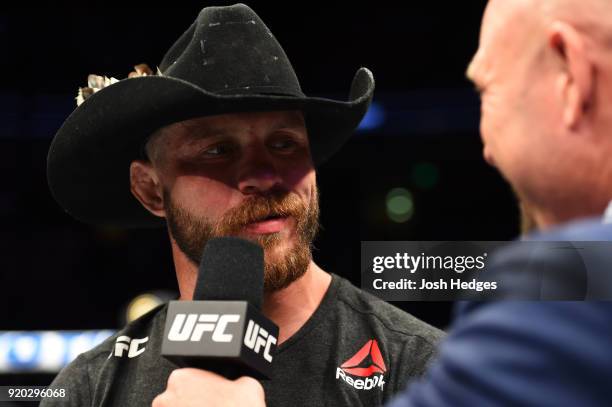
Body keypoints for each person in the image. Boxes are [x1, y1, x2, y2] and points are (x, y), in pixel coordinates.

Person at [148, 0, 612, 405]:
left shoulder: (563, 294)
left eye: (488, 91)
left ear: (572, 75)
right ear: (149, 190)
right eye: (217, 151)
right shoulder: (93, 381)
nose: (487, 147)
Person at [41, 4, 443, 407]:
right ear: (150, 190)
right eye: (218, 150)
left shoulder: (424, 370)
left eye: (285, 144)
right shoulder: (90, 389)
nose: (265, 176)